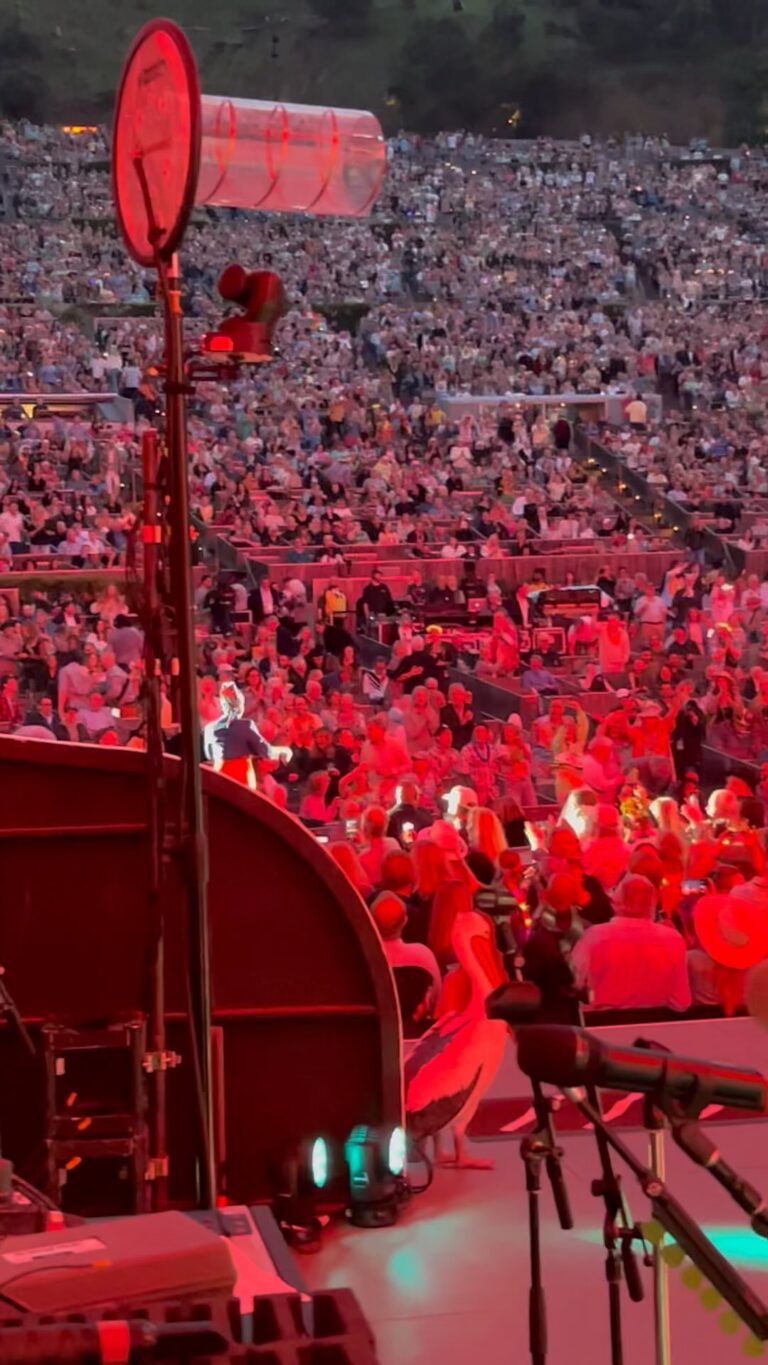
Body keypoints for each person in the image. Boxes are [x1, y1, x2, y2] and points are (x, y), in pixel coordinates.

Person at [570, 874, 692, 1011]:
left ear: (615, 902)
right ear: (652, 905)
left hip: (601, 1026)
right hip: (655, 1027)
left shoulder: (595, 937)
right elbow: (681, 1002)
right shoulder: (673, 940)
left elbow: (572, 985)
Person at [203, 681, 286, 790]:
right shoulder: (246, 725)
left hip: (217, 778)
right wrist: (284, 751)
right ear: (240, 705)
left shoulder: (209, 727)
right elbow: (265, 751)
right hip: (241, 779)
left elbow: (209, 755)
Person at [371, 892, 442, 1015]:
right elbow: (436, 1000)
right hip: (415, 1029)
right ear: (405, 921)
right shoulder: (423, 956)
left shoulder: (361, 958)